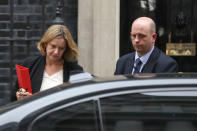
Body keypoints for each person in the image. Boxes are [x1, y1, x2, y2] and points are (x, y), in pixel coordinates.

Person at [12, 24, 83, 101]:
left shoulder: (75, 71)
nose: (56, 52)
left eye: (61, 48)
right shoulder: (29, 65)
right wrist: (20, 96)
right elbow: (14, 97)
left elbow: (79, 101)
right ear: (45, 44)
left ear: (65, 49)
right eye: (53, 46)